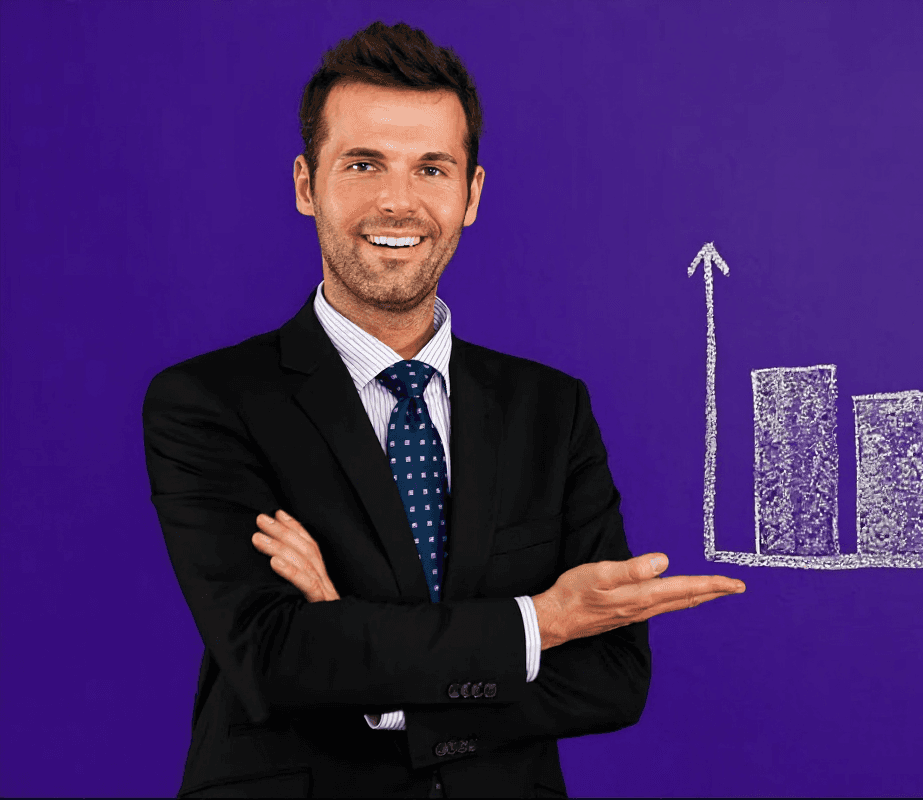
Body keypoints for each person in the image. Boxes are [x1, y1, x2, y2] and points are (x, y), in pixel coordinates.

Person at [142, 20, 745, 798]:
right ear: (305, 184)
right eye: (363, 164)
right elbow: (274, 658)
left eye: (432, 168)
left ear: (471, 194)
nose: (398, 201)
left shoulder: (550, 410)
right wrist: (541, 623)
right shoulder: (208, 402)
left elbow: (612, 679)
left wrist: (357, 646)